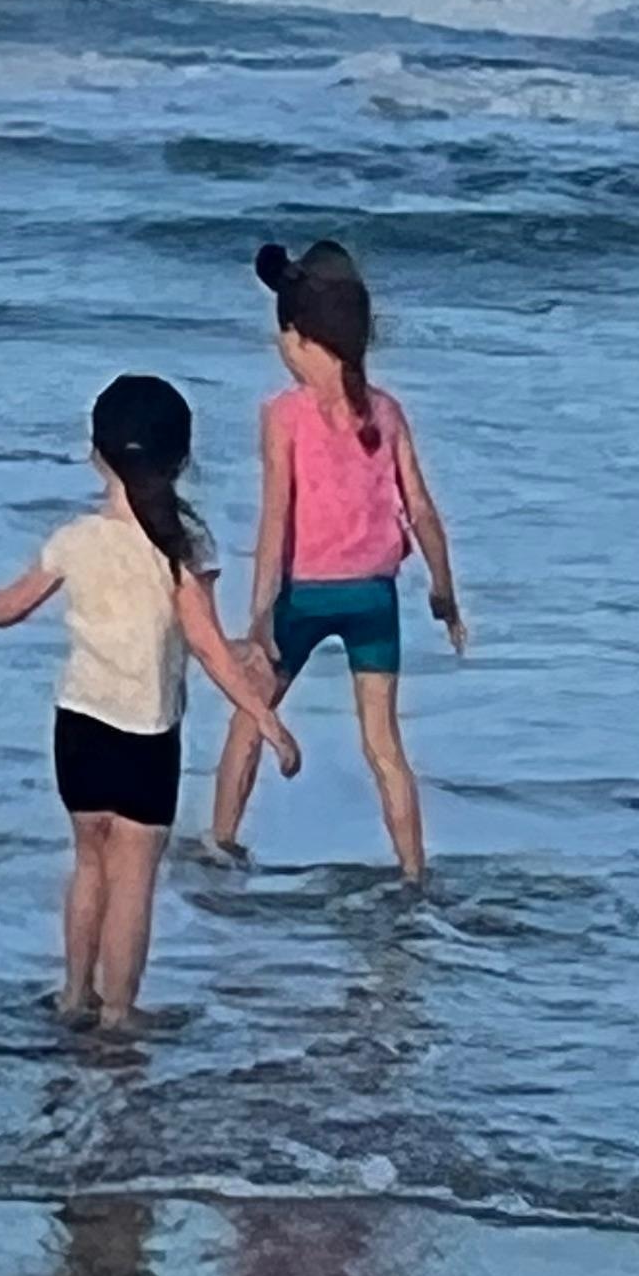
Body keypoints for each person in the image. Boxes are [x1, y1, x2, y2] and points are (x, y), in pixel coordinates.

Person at [0, 375, 302, 1029]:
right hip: (145, 735)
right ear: (182, 460)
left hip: (78, 728)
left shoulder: (75, 539)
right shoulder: (184, 546)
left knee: (88, 864)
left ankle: (73, 993)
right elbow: (204, 644)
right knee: (134, 878)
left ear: (97, 455)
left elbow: (9, 606)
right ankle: (118, 1014)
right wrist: (265, 717)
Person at [210, 240, 465, 885]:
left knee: (250, 720)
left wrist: (261, 615)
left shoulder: (283, 416)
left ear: (298, 337)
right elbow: (423, 511)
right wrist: (444, 591)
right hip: (372, 597)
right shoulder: (386, 411)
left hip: (305, 595)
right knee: (384, 745)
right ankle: (413, 870)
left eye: (282, 336)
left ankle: (220, 845)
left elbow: (276, 520)